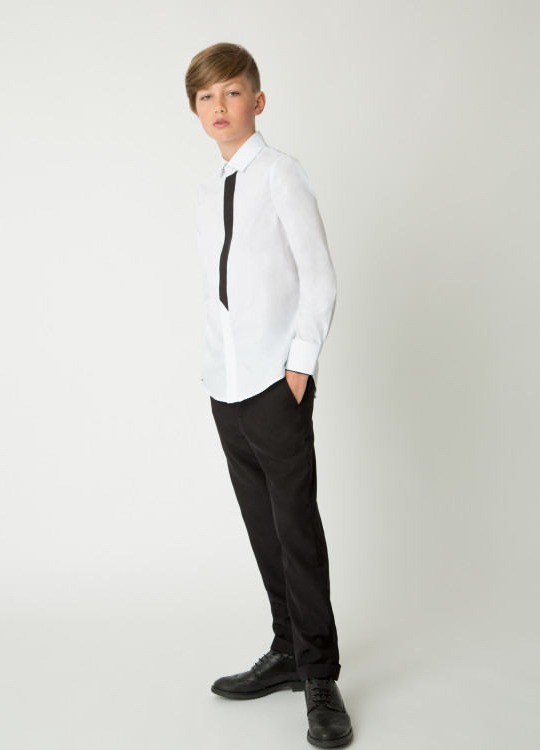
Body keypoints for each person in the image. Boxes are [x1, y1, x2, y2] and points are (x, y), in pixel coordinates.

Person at [184, 42, 353, 748]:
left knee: (296, 530)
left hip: (275, 385)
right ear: (195, 111)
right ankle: (286, 649)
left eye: (231, 92)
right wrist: (214, 370)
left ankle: (320, 676)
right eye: (205, 98)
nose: (219, 107)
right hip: (226, 386)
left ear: (257, 100)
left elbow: (319, 275)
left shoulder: (281, 174)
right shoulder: (207, 193)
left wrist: (299, 366)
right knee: (262, 526)